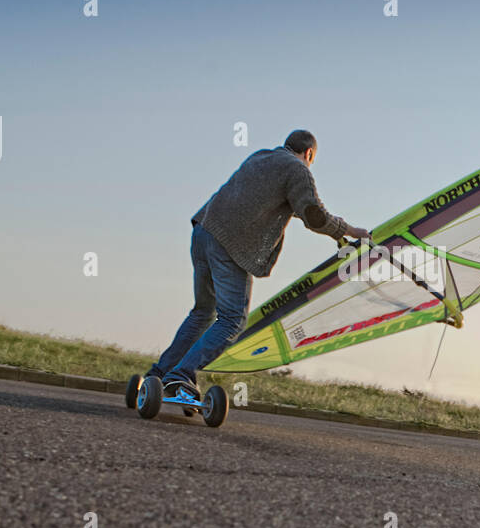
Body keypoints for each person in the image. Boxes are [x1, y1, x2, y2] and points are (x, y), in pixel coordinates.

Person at [147, 130, 370, 397]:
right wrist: (349, 230)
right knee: (232, 320)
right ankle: (180, 376)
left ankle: (159, 374)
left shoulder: (260, 157)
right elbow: (313, 213)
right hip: (230, 244)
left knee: (203, 312)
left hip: (203, 231)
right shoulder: (298, 169)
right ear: (309, 154)